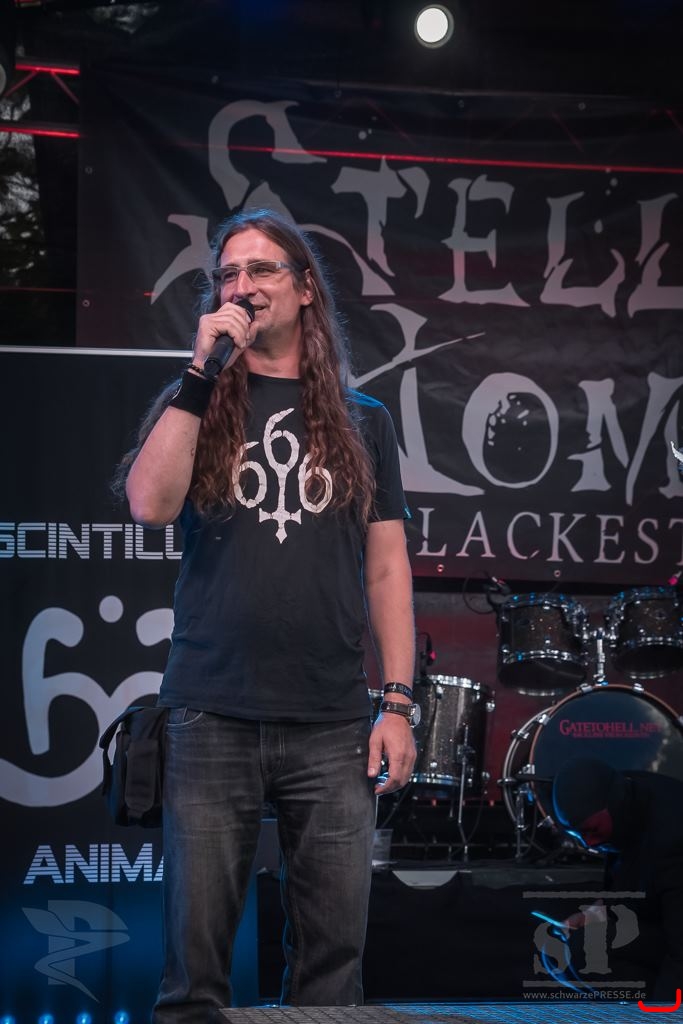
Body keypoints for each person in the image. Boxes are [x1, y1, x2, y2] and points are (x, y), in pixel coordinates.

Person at [120, 208, 417, 1023]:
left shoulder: (363, 419)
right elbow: (148, 506)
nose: (241, 286)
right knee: (194, 972)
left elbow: (387, 568)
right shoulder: (194, 401)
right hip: (211, 711)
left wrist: (396, 704)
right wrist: (199, 373)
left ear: (305, 288)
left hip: (330, 720)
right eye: (227, 274)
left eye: (261, 270)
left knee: (331, 968)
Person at [552, 756, 683, 1002]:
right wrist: (596, 914)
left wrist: (663, 1015)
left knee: (588, 947)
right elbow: (633, 874)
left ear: (615, 805)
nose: (588, 844)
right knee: (570, 948)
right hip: (664, 924)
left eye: (592, 831)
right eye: (579, 836)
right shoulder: (627, 799)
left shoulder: (672, 839)